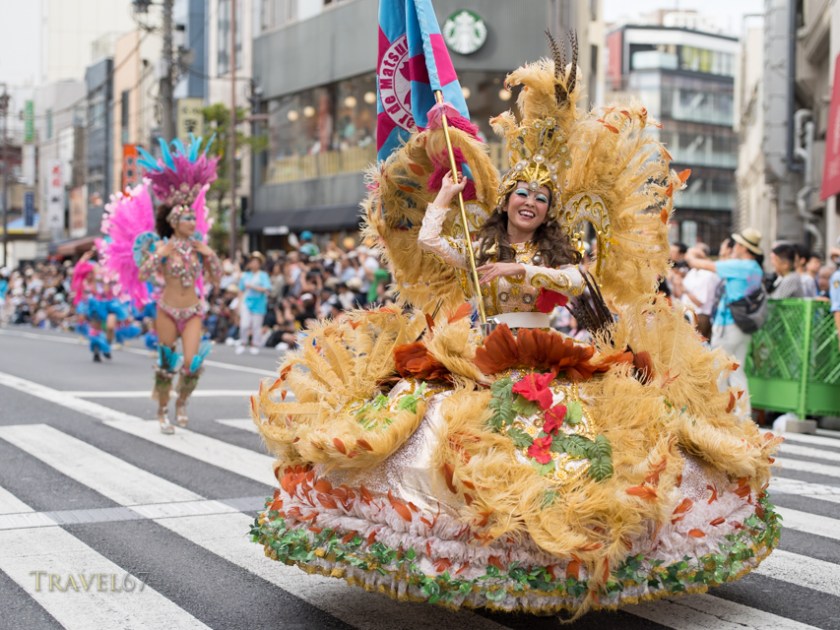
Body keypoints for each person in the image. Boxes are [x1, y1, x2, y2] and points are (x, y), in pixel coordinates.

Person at [250, 40, 781, 616]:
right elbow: (431, 243)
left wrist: (521, 269)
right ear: (507, 202)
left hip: (550, 354)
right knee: (441, 436)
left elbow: (580, 282)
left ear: (550, 211)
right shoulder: (479, 246)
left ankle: (564, 547)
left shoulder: (559, 254)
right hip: (483, 353)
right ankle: (470, 545)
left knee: (572, 449)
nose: (530, 201)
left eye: (542, 197)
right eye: (522, 193)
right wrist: (446, 198)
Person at [102, 137, 221, 434]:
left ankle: (182, 403)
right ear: (173, 221)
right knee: (167, 364)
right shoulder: (162, 247)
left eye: (194, 217)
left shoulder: (199, 247)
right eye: (186, 218)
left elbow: (216, 279)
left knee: (192, 363)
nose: (192, 221)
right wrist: (158, 255)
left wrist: (211, 257)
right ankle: (162, 410)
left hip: (192, 309)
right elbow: (143, 275)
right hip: (167, 310)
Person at [686, 227, 764, 417]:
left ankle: (719, 413)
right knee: (736, 370)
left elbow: (697, 263)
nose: (734, 246)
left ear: (744, 248)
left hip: (728, 325)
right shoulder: (755, 269)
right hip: (742, 326)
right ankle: (742, 414)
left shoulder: (740, 266)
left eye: (737, 244)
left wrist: (691, 253)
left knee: (720, 369)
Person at [680, 242, 720, 342]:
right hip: (686, 314)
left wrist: (686, 291)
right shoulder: (692, 272)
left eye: (695, 255)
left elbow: (700, 302)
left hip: (700, 317)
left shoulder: (708, 275)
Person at [237, 251, 271, 355]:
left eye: (257, 262)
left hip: (259, 304)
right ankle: (243, 342)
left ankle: (255, 344)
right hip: (247, 302)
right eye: (253, 262)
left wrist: (253, 287)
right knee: (244, 324)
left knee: (256, 326)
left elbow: (267, 289)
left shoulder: (263, 275)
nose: (254, 264)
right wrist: (239, 303)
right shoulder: (245, 275)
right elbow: (241, 289)